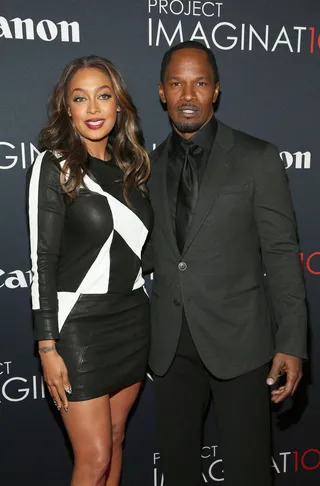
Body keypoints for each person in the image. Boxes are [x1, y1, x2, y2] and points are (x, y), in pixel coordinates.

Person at [143, 40, 307, 486]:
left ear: (216, 90)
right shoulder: (146, 166)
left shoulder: (257, 158)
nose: (188, 95)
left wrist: (292, 340)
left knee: (249, 471)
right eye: (177, 84)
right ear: (162, 92)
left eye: (199, 83)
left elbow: (280, 252)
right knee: (177, 471)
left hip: (242, 345)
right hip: (171, 348)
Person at [26, 55, 151, 486]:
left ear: (119, 106)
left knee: (116, 439)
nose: (94, 109)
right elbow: (43, 259)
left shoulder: (132, 168)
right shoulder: (55, 165)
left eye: (104, 96)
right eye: (81, 99)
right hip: (78, 325)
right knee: (94, 458)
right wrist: (47, 346)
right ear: (68, 108)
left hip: (133, 319)